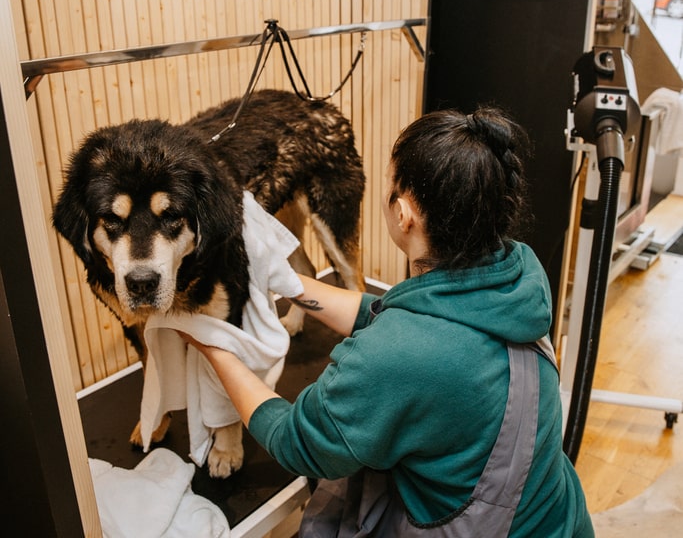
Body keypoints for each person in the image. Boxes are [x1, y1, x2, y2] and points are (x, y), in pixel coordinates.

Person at [180, 107, 595, 537]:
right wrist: (284, 280)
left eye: (388, 184)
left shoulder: (395, 357)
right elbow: (388, 316)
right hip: (560, 519)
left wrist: (215, 346)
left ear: (403, 214)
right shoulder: (517, 274)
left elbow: (296, 442)